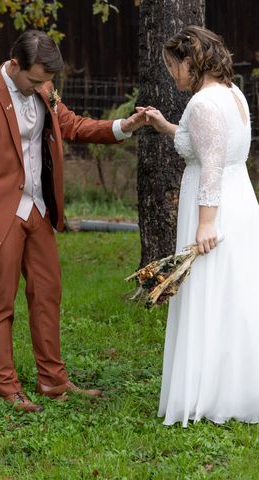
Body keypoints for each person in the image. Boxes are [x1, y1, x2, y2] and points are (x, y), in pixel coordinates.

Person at [0, 30, 148, 412]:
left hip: (38, 210)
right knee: (0, 303)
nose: (43, 86)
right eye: (36, 79)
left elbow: (71, 125)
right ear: (14, 65)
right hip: (0, 218)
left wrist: (124, 126)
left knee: (47, 293)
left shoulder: (43, 89)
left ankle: (52, 380)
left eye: (47, 80)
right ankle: (7, 388)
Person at [144, 25, 259, 426]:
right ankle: (233, 384)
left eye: (174, 66)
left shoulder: (203, 103)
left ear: (192, 62)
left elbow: (209, 164)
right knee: (233, 294)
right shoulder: (232, 94)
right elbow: (209, 145)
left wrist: (205, 223)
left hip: (216, 205)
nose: (173, 75)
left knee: (212, 293)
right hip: (239, 196)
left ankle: (211, 395)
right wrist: (165, 126)